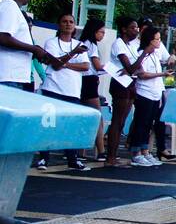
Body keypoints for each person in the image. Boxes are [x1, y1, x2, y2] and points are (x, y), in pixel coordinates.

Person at [36, 12, 92, 170]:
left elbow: (85, 66)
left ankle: (72, 159)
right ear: (59, 25)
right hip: (52, 88)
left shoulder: (79, 43)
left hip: (72, 90)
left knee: (70, 126)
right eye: (64, 21)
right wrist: (73, 54)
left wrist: (66, 63)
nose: (68, 24)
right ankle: (43, 158)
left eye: (71, 22)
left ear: (74, 26)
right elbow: (55, 64)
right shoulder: (51, 42)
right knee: (49, 125)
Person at [0, 0, 55, 91]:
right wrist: (33, 49)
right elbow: (3, 37)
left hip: (11, 76)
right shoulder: (10, 7)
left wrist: (34, 49)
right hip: (9, 76)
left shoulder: (9, 7)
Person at [126, 26, 168, 167]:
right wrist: (162, 74)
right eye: (157, 39)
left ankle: (145, 150)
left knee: (149, 124)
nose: (159, 42)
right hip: (144, 92)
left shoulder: (156, 55)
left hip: (155, 93)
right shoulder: (141, 54)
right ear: (150, 40)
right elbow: (142, 74)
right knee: (141, 123)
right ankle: (136, 152)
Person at [104, 17, 142, 167]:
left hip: (130, 82)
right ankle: (110, 156)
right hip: (120, 83)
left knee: (122, 121)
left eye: (137, 28)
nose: (136, 30)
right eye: (133, 28)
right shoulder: (119, 44)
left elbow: (135, 68)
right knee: (117, 120)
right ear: (124, 29)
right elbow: (131, 67)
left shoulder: (130, 45)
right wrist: (146, 52)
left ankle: (114, 154)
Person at [78, 17, 108, 160]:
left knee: (84, 116)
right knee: (97, 117)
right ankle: (101, 151)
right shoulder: (91, 45)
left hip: (82, 80)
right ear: (94, 31)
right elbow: (97, 66)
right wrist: (112, 68)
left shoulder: (82, 43)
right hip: (89, 81)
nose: (102, 35)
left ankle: (80, 152)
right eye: (101, 32)